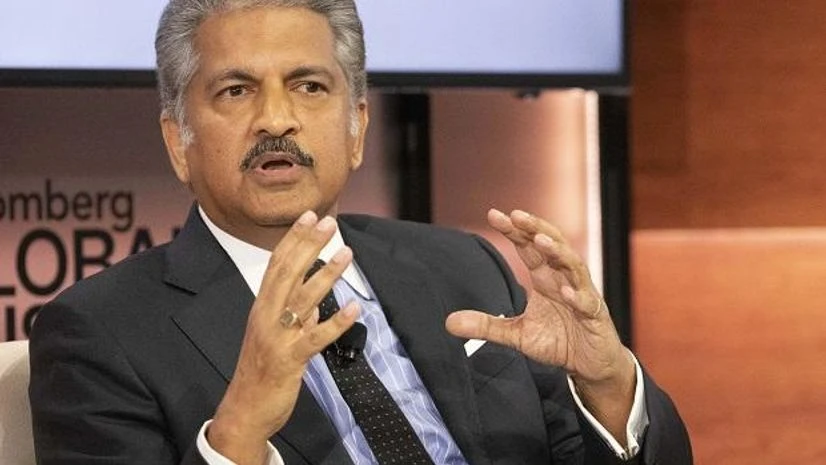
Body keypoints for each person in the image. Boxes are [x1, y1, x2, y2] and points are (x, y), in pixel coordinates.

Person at [28, 0, 692, 464]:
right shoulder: (100, 334)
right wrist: (239, 428)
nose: (277, 119)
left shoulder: (462, 266)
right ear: (179, 142)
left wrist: (608, 384)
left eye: (310, 86)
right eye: (235, 91)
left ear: (357, 129)